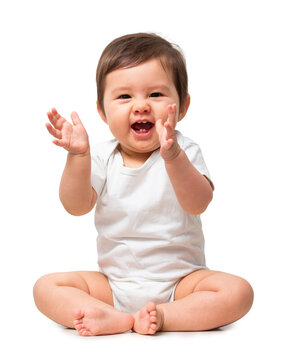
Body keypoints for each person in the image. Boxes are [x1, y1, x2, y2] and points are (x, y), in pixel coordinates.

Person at [33, 33, 254, 336]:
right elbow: (75, 205)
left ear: (183, 105)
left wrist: (173, 156)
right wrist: (78, 156)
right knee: (45, 287)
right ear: (102, 111)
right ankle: (117, 317)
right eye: (124, 96)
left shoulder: (184, 151)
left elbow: (198, 203)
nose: (140, 106)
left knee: (238, 292)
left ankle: (164, 316)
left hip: (182, 284)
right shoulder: (101, 156)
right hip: (113, 285)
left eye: (155, 95)